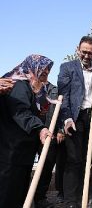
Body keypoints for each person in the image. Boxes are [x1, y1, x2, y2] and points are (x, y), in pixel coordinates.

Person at [57, 36, 92, 208]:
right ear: (78, 49)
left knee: (88, 159)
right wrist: (67, 119)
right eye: (84, 52)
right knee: (73, 159)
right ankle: (70, 201)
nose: (86, 55)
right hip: (75, 118)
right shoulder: (67, 68)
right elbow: (63, 97)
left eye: (90, 53)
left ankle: (84, 195)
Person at [0, 54, 53, 208]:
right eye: (43, 70)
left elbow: (41, 109)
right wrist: (39, 128)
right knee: (9, 193)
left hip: (22, 150)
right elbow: (20, 111)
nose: (46, 73)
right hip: (11, 150)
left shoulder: (31, 86)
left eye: (48, 71)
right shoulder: (18, 84)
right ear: (32, 68)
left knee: (19, 191)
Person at [33, 80, 66, 208]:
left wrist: (60, 130)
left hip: (49, 133)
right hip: (31, 132)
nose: (44, 73)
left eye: (47, 71)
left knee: (46, 166)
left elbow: (61, 111)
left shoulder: (55, 90)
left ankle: (40, 198)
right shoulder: (28, 87)